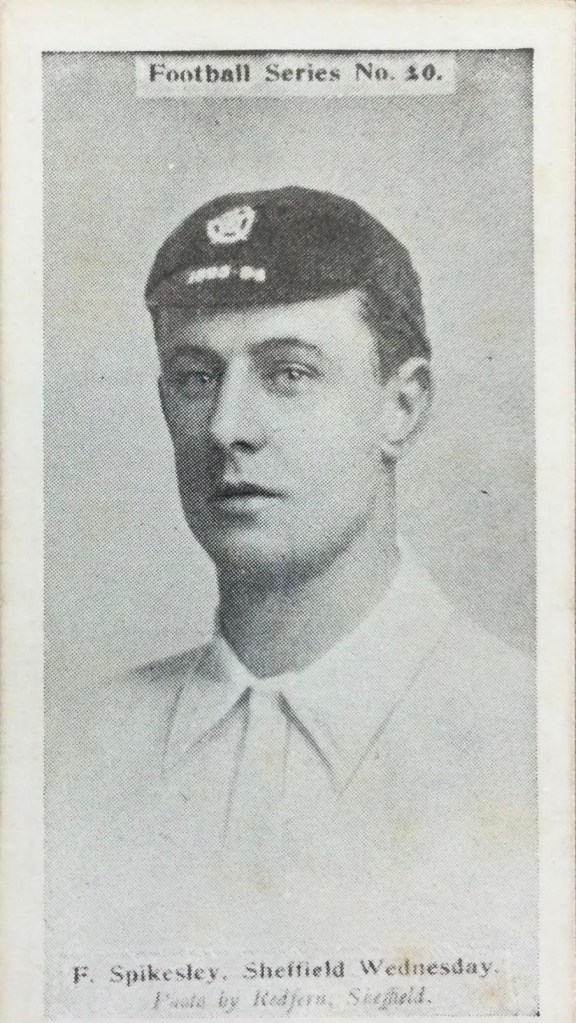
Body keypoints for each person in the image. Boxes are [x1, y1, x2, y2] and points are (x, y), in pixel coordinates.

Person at [47, 186, 536, 1013]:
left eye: (289, 374)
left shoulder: (534, 738)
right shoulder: (65, 755)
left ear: (401, 407)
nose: (227, 425)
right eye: (196, 377)